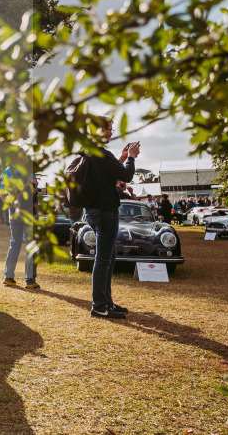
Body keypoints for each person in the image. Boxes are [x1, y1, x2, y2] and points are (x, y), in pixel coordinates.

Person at [84, 121, 139, 319]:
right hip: (105, 211)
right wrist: (131, 158)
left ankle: (106, 302)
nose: (111, 132)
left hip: (93, 210)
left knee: (108, 257)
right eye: (109, 129)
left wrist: (122, 157)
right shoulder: (101, 154)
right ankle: (99, 306)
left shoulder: (90, 153)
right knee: (103, 259)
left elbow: (106, 174)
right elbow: (126, 175)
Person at [0, 168, 38, 289]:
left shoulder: (7, 171)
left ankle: (9, 277)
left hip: (14, 214)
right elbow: (35, 189)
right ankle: (30, 280)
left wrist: (15, 209)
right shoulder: (29, 170)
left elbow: (2, 195)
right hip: (28, 213)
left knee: (14, 243)